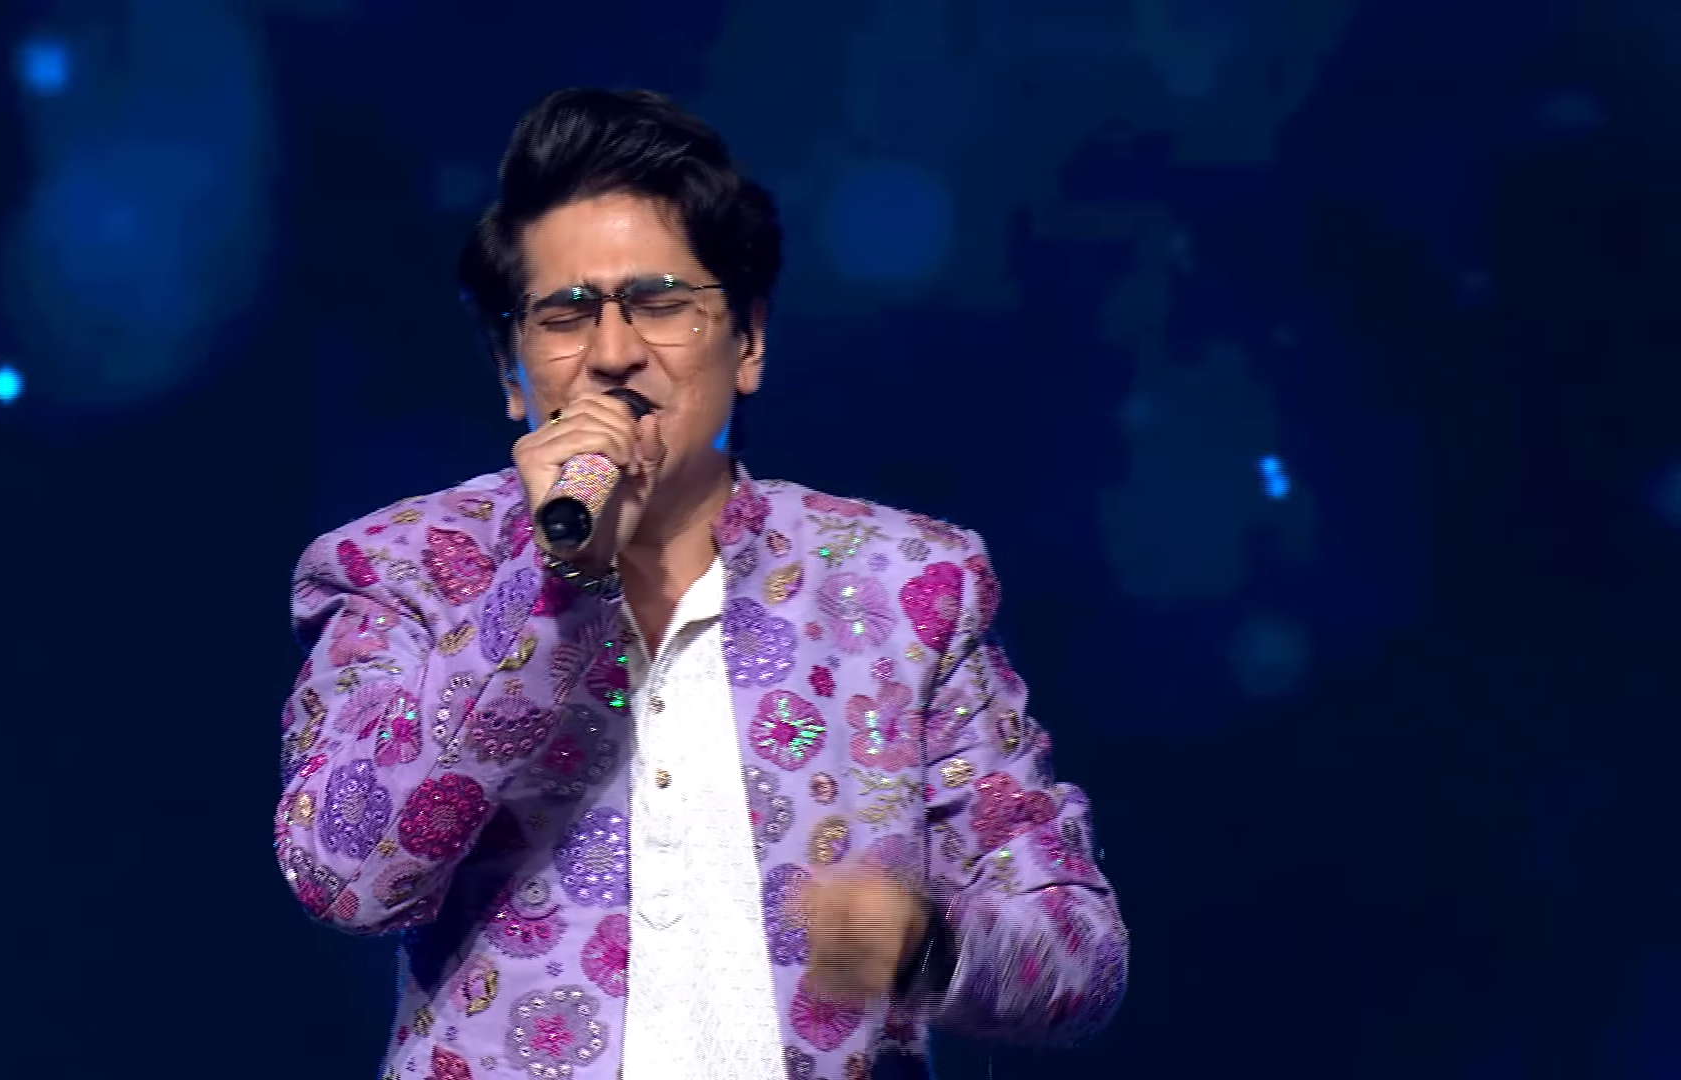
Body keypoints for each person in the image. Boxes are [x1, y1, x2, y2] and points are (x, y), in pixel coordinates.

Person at [275, 87, 1127, 1080]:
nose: (614, 354)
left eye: (660, 304)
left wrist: (922, 947)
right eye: (566, 315)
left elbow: (1079, 956)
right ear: (512, 372)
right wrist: (553, 583)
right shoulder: (401, 568)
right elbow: (345, 876)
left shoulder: (907, 586)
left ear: (748, 340)